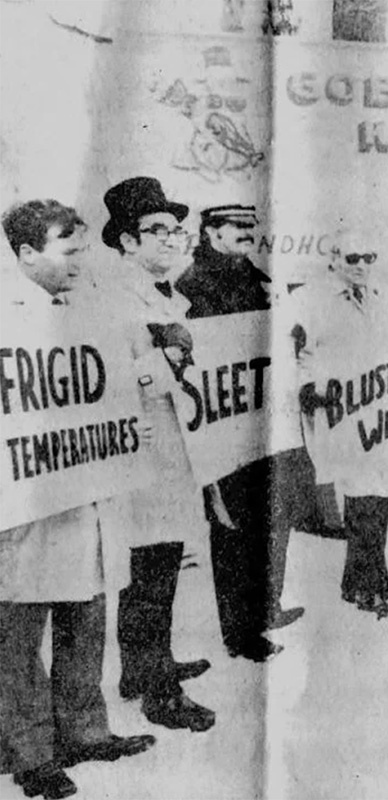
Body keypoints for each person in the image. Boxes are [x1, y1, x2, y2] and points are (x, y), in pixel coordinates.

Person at [0, 200, 156, 800]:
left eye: (84, 250)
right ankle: (31, 754)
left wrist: (130, 418)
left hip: (86, 490)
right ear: (26, 254)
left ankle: (86, 732)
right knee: (17, 634)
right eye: (69, 252)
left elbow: (115, 385)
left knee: (87, 615)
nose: (80, 262)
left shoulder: (90, 311)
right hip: (28, 504)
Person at [100, 177, 216, 731]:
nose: (171, 239)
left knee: (161, 561)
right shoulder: (114, 298)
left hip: (173, 446)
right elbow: (108, 376)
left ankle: (143, 667)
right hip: (142, 450)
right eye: (156, 230)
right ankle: (159, 692)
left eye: (175, 229)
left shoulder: (165, 294)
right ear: (127, 241)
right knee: (152, 565)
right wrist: (164, 360)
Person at [175, 204, 306, 661]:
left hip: (261, 417)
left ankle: (265, 607)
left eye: (252, 226)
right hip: (224, 425)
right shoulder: (194, 283)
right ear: (211, 232)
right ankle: (240, 633)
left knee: (268, 520)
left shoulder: (254, 276)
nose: (248, 233)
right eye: (238, 227)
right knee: (232, 528)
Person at [290, 232, 388, 620]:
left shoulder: (377, 299)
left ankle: (363, 579)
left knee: (380, 488)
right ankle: (367, 586)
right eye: (353, 258)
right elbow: (299, 353)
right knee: (361, 489)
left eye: (369, 257)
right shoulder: (314, 301)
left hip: (376, 408)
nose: (362, 265)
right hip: (338, 409)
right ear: (334, 259)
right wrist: (309, 388)